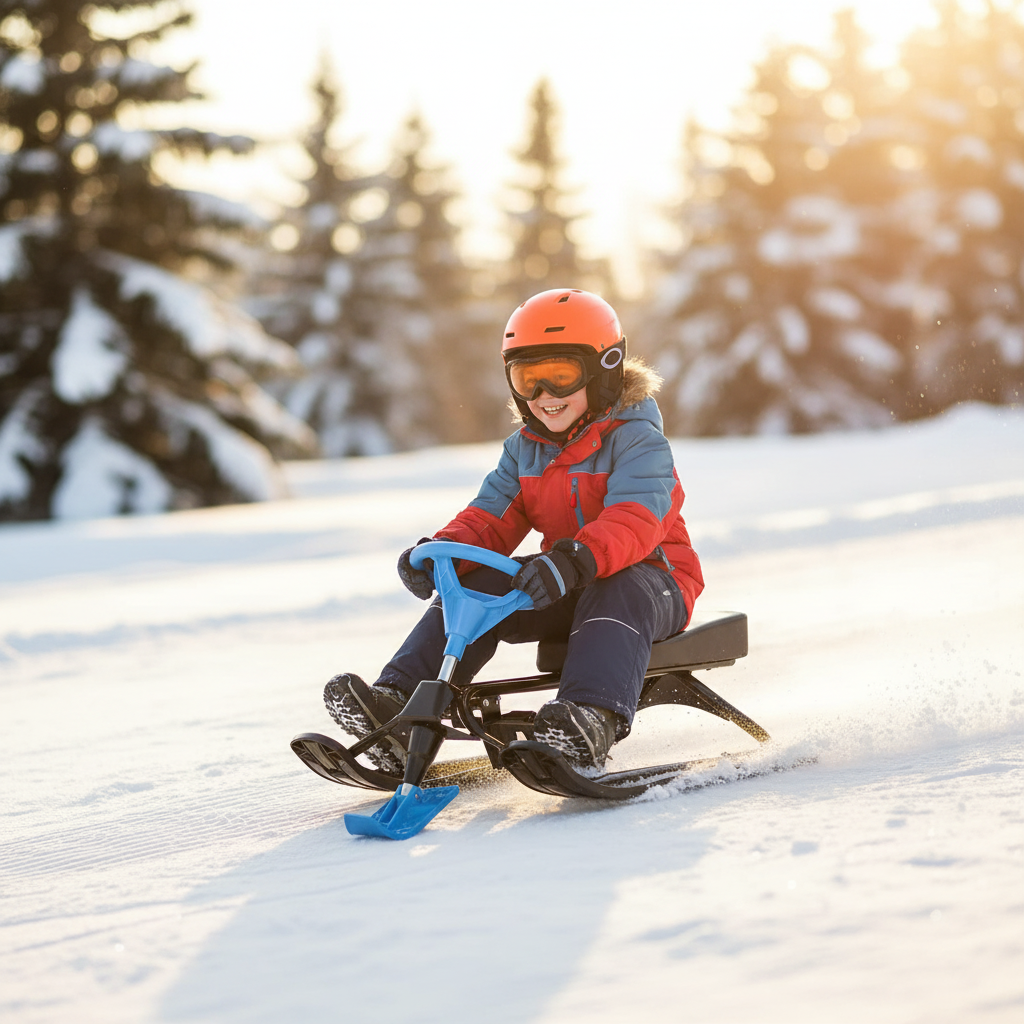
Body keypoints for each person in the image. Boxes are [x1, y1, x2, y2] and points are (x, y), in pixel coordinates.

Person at [325, 288, 704, 773]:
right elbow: (489, 517)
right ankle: (399, 705)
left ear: (605, 369)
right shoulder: (524, 450)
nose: (545, 396)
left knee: (619, 585)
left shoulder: (638, 441)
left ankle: (590, 719)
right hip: (567, 579)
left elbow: (636, 519)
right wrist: (443, 555)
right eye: (528, 379)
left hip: (655, 583)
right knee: (476, 583)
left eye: (561, 376)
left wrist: (574, 560)